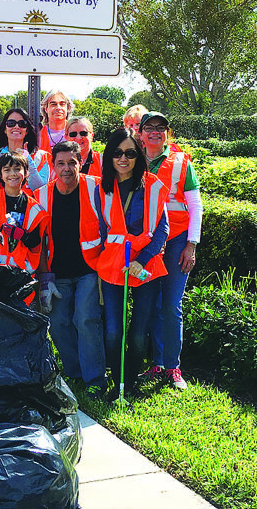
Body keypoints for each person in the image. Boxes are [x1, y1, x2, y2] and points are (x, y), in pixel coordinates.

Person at [94, 128, 170, 396]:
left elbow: (162, 230)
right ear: (109, 156)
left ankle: (131, 383)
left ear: (138, 155)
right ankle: (117, 384)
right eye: (117, 153)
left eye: (129, 153)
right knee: (113, 331)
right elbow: (102, 231)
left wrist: (143, 259)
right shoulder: (100, 188)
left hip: (145, 265)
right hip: (112, 266)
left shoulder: (153, 185)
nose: (123, 159)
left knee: (138, 333)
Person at [35, 141, 107, 399]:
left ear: (80, 162)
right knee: (58, 323)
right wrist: (45, 279)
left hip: (90, 268)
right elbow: (39, 242)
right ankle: (76, 373)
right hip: (57, 272)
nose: (66, 169)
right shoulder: (41, 195)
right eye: (61, 163)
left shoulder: (96, 187)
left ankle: (96, 379)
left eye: (72, 163)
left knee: (86, 319)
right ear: (53, 166)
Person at [137, 112, 203, 390]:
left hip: (176, 241)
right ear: (140, 133)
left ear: (168, 133)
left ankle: (173, 368)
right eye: (149, 128)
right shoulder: (132, 159)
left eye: (160, 128)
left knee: (171, 305)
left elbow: (196, 205)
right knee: (151, 305)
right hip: (147, 243)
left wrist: (191, 244)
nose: (155, 132)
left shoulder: (181, 162)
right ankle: (157, 364)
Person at [0, 151, 47, 274]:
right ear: (0, 174)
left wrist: (22, 235)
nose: (13, 174)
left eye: (17, 169)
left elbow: (36, 241)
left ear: (26, 173)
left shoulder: (35, 207)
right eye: (7, 170)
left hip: (20, 272)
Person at [0, 108, 50, 194]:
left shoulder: (41, 157)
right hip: (2, 206)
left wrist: (29, 163)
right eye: (11, 123)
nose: (16, 127)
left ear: (27, 130)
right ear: (5, 129)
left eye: (22, 124)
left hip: (32, 206)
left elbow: (42, 191)